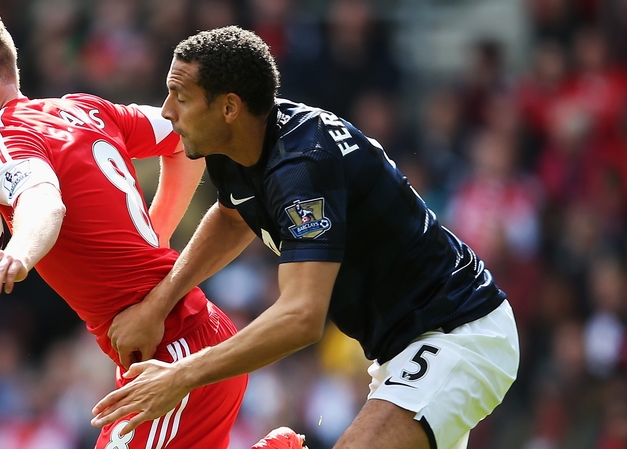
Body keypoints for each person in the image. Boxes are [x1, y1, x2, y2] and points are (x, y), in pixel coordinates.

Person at [92, 26, 520, 449]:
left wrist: (180, 377)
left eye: (181, 98)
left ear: (228, 108)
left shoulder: (302, 167)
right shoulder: (237, 142)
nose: (167, 111)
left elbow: (301, 318)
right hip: (401, 350)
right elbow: (233, 217)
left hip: (459, 332)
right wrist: (158, 304)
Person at [0, 3, 255, 448]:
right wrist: (158, 229)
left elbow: (44, 201)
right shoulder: (81, 109)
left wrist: (19, 254)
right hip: (180, 339)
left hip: (174, 346)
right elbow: (186, 139)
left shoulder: (1, 141)